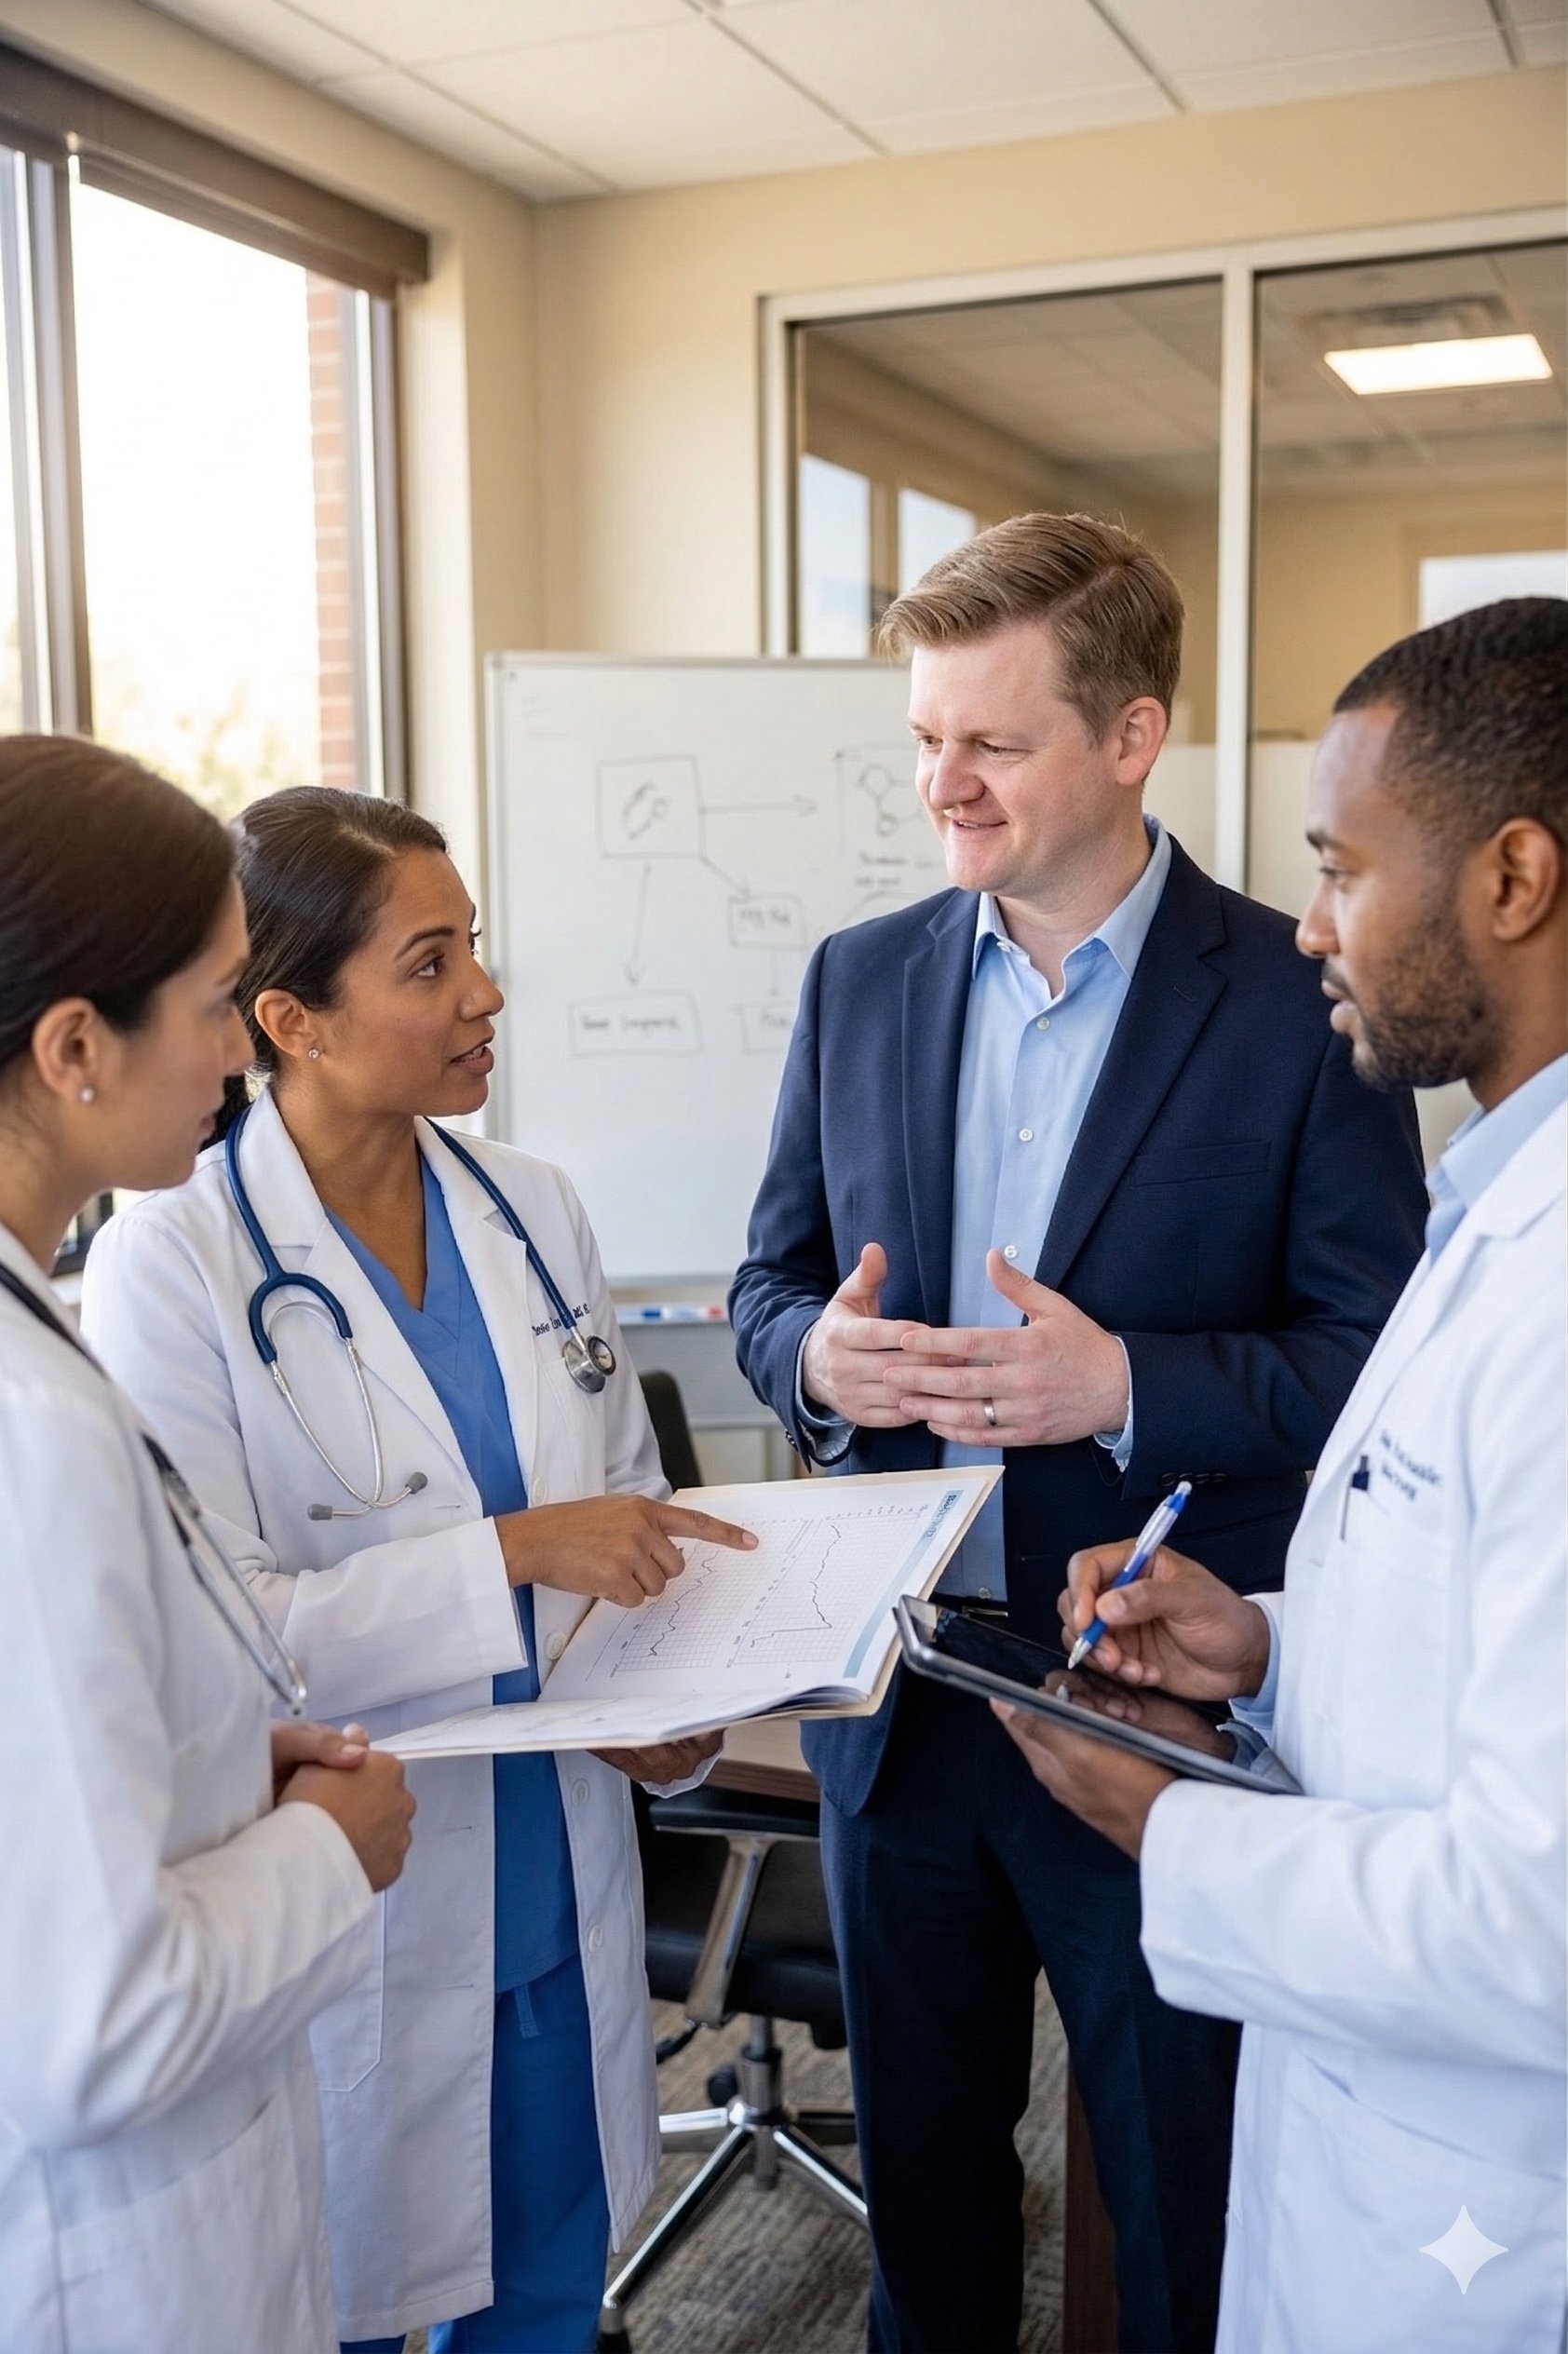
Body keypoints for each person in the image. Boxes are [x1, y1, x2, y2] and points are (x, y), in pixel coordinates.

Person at [729, 512, 1430, 2353]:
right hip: (901, 1699)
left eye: (990, 742)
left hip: (1149, 1697)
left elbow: (1372, 1353)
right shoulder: (856, 978)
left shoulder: (1298, 997)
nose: (938, 784)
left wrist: (1121, 1384)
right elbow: (764, 1288)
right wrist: (826, 1360)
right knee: (930, 2209)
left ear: (1128, 740)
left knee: (1180, 2191)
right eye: (921, 739)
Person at [82, 787, 757, 2353]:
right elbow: (223, 1645)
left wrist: (668, 1715)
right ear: (289, 1021)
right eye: (430, 963)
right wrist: (512, 1556)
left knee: (543, 2300)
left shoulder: (535, 1208)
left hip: (557, 1893)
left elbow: (634, 1516)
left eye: (479, 950)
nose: (485, 996)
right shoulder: (171, 1263)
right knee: (349, 2306)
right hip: (359, 1914)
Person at [1001, 595, 1567, 2353]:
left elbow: (1537, 1923)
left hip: (1481, 2210)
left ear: (1515, 876)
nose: (1311, 924)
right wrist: (1259, 1640)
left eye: (1343, 867)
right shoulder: (1496, 1198)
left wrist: (1172, 1829)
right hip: (1404, 2154)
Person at [0, 736, 415, 2354]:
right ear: (73, 1045)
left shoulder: (41, 1341)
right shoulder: (28, 1431)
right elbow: (90, 2027)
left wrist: (227, 1767)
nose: (244, 1056)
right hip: (102, 2271)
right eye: (217, 1004)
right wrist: (332, 1847)